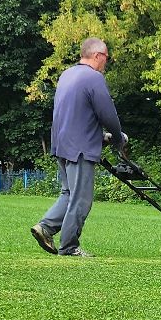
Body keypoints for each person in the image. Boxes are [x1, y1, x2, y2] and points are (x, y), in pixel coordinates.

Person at [32, 37, 125, 257]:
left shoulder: (67, 75)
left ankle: (45, 228)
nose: (106, 63)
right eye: (106, 58)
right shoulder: (93, 78)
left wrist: (100, 136)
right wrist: (118, 138)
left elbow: (76, 114)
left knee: (68, 193)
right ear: (97, 56)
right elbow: (107, 113)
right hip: (80, 148)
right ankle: (69, 247)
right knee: (81, 199)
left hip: (62, 144)